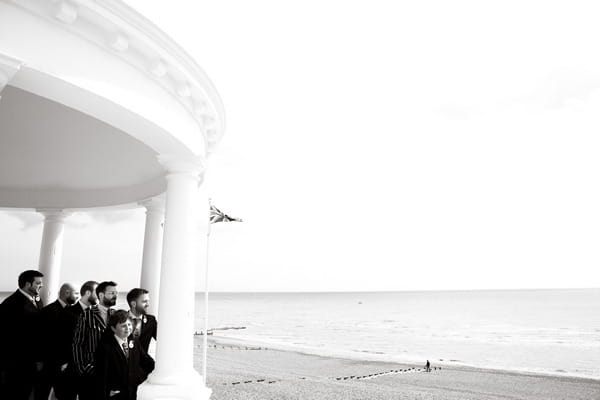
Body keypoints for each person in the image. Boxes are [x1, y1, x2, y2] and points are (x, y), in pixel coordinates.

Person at [0, 270, 44, 400]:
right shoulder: (11, 305)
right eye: (38, 283)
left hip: (31, 362)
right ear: (27, 284)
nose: (41, 286)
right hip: (17, 363)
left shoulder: (37, 300)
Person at [94, 310, 155, 400]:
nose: (127, 328)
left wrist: (140, 377)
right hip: (115, 394)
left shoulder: (134, 342)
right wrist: (106, 391)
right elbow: (100, 374)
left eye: (129, 325)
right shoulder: (106, 347)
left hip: (133, 393)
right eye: (123, 326)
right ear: (113, 328)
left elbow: (147, 362)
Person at [72, 281, 117, 400]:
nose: (115, 295)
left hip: (112, 373)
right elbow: (78, 344)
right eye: (112, 293)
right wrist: (84, 369)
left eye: (116, 293)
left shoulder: (117, 315)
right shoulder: (87, 314)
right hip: (91, 372)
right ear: (101, 295)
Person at [35, 283, 79, 400]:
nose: (78, 297)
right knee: (42, 393)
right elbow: (40, 338)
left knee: (64, 395)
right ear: (67, 293)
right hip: (48, 363)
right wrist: (40, 360)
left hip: (65, 364)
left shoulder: (73, 312)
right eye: (76, 293)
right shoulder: (48, 311)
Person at [58, 280, 98, 400]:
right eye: (97, 292)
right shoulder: (67, 313)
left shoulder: (97, 314)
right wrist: (64, 362)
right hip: (71, 367)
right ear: (87, 293)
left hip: (90, 369)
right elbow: (61, 339)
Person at [126, 288, 157, 354]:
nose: (148, 304)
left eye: (148, 301)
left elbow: (163, 340)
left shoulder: (151, 320)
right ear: (133, 304)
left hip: (143, 363)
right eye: (144, 301)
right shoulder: (119, 319)